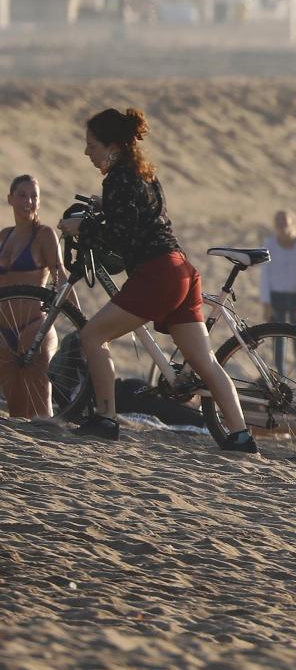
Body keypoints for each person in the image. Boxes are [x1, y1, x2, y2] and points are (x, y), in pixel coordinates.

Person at [57, 108, 256, 450]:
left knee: (91, 336)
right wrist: (105, 207)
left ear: (112, 146)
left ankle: (105, 419)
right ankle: (240, 436)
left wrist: (84, 226)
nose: (86, 152)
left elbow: (121, 236)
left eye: (91, 145)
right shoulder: (142, 173)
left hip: (157, 275)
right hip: (182, 271)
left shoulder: (118, 179)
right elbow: (141, 219)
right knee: (205, 363)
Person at [0, 174, 67, 419]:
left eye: (34, 196)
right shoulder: (3, 236)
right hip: (4, 331)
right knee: (17, 409)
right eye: (23, 195)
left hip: (34, 327)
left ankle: (52, 449)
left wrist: (82, 325)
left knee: (40, 406)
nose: (29, 201)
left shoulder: (43, 235)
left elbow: (62, 278)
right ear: (10, 199)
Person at [258, 210, 296, 379]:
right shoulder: (269, 244)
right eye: (279, 222)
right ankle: (280, 384)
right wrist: (266, 303)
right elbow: (265, 276)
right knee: (278, 346)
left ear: (293, 223)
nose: (283, 225)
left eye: (286, 221)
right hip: (276, 298)